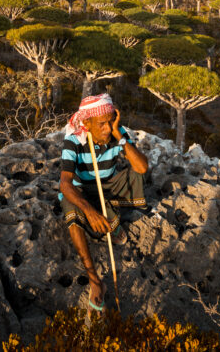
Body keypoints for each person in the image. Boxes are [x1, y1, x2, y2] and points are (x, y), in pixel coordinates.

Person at [59, 93, 149, 311]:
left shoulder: (116, 134)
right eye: (102, 123)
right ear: (87, 123)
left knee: (135, 173)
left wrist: (120, 134)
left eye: (111, 121)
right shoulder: (74, 142)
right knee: (72, 209)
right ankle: (94, 280)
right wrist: (89, 212)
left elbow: (142, 167)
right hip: (82, 190)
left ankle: (110, 219)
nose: (108, 128)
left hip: (107, 185)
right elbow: (65, 184)